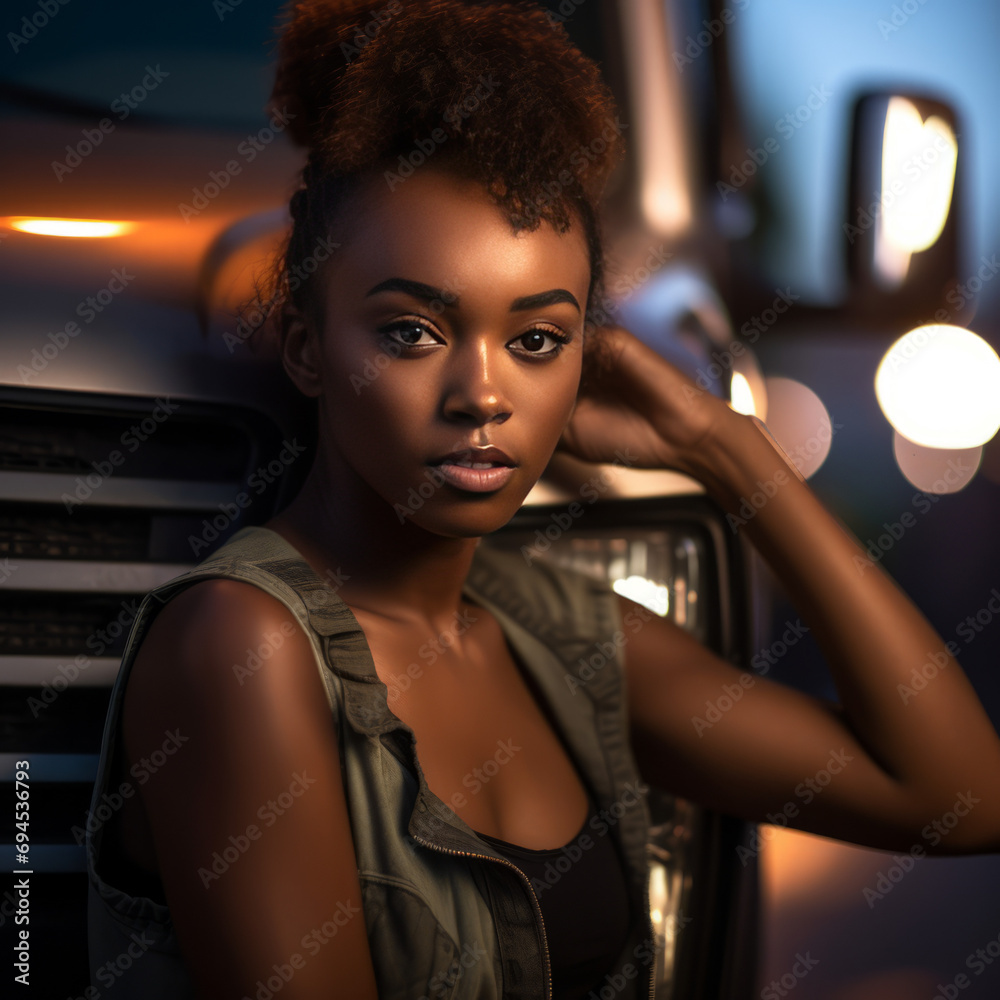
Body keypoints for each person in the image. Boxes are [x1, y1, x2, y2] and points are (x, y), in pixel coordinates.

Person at [85, 1, 1000, 997]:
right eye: (409, 332)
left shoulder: (562, 636)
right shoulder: (245, 646)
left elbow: (959, 798)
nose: (481, 394)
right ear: (306, 348)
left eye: (535, 341)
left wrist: (727, 448)